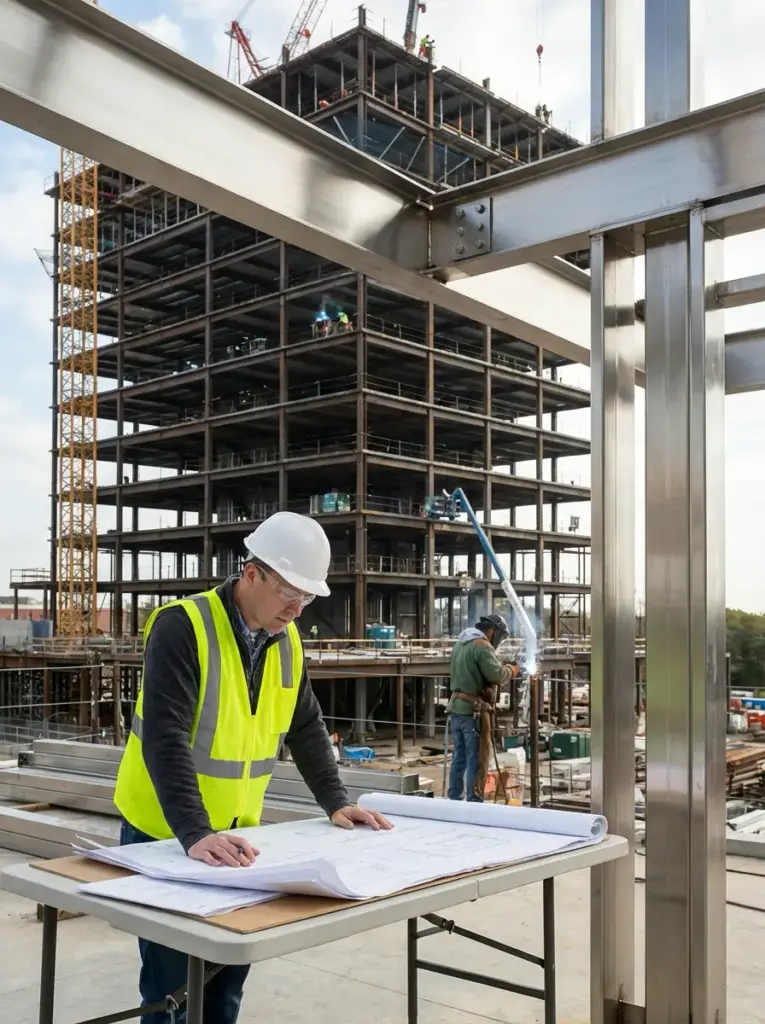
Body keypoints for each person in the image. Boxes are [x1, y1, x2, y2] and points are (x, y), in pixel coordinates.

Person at [114, 511, 391, 1023]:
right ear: (251, 574)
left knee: (224, 986)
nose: (297, 607)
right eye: (289, 590)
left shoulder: (287, 642)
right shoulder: (183, 626)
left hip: (237, 845)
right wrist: (195, 832)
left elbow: (305, 726)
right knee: (171, 994)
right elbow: (164, 736)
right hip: (165, 836)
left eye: (307, 597)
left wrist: (337, 802)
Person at [446, 614, 509, 802]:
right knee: (477, 758)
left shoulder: (461, 643)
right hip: (472, 712)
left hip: (456, 709)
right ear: (492, 631)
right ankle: (474, 801)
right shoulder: (482, 646)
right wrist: (513, 670)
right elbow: (497, 675)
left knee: (459, 757)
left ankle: (454, 797)